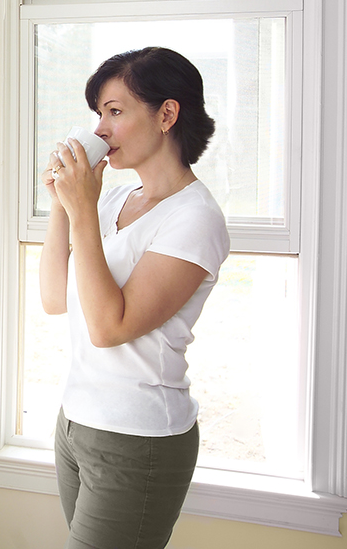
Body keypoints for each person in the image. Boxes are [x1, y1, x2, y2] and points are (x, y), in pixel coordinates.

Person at [39, 46, 230, 549]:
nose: (100, 129)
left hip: (136, 438)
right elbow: (55, 297)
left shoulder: (195, 219)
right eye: (99, 114)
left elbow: (109, 328)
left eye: (115, 111)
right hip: (76, 424)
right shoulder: (117, 200)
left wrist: (83, 209)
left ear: (167, 114)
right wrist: (64, 204)